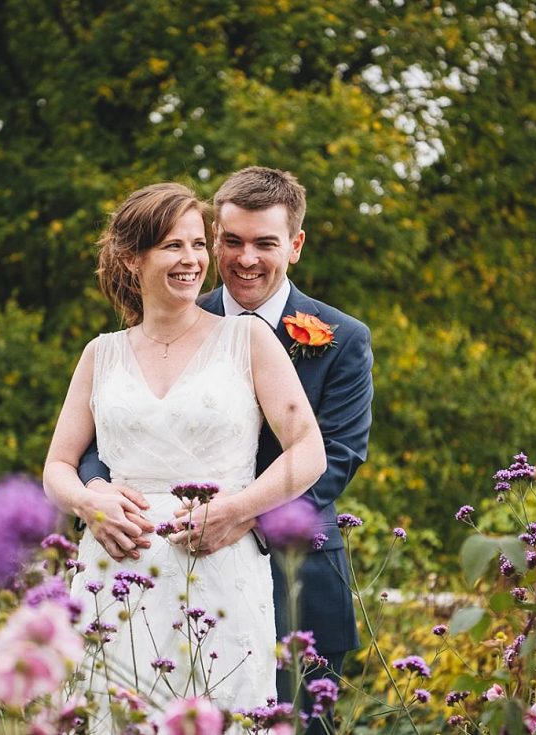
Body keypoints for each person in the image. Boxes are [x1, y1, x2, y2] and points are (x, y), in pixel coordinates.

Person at [80, 167, 374, 731]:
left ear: (295, 245)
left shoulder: (343, 337)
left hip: (296, 578)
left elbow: (335, 458)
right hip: (154, 569)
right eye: (231, 241)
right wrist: (98, 492)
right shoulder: (170, 308)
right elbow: (110, 432)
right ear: (214, 241)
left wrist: (242, 514)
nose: (245, 258)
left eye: (264, 243)